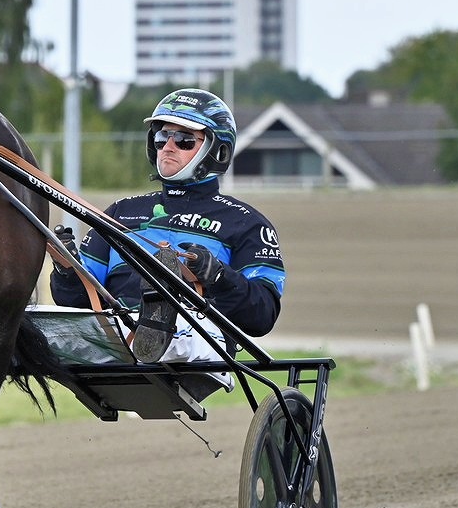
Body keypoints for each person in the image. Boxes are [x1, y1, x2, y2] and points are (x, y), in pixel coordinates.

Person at [49, 88, 285, 364]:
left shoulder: (246, 223)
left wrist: (219, 277)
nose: (168, 147)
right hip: (120, 334)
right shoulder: (119, 213)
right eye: (162, 137)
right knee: (37, 329)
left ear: (217, 149)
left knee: (171, 333)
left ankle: (155, 325)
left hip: (202, 338)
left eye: (184, 139)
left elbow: (262, 316)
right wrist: (66, 270)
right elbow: (76, 303)